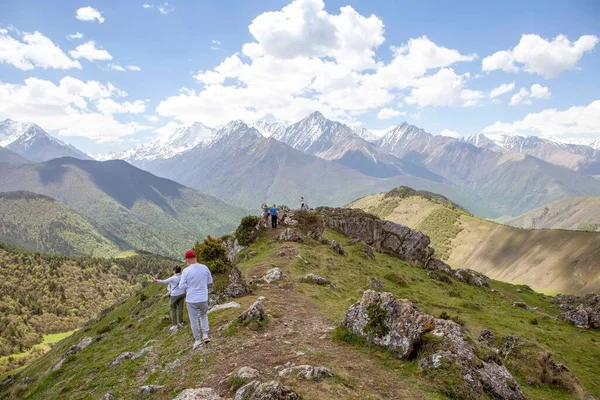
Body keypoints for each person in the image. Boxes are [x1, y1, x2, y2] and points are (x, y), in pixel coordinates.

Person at [178, 249, 213, 350]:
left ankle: (197, 340)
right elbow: (210, 281)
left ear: (188, 260)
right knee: (203, 315)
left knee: (193, 319)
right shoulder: (204, 268)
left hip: (191, 299)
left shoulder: (186, 271)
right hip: (203, 297)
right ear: (195, 257)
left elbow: (181, 286)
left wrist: (189, 287)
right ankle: (205, 335)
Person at [155, 265, 186, 333]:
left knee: (173, 310)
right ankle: (181, 322)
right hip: (182, 294)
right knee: (180, 308)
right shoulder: (182, 276)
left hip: (174, 295)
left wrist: (156, 280)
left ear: (174, 271)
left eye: (173, 270)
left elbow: (164, 281)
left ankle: (175, 325)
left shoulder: (173, 278)